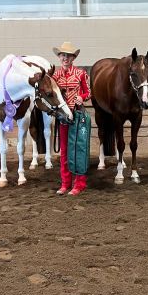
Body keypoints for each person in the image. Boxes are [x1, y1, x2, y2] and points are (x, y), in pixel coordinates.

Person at [52, 41, 91, 196]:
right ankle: (65, 183)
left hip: (77, 116)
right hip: (63, 117)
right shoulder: (54, 76)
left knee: (79, 149)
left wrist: (81, 97)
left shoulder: (81, 74)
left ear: (73, 58)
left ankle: (80, 183)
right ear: (59, 57)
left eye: (68, 55)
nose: (65, 58)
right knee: (64, 152)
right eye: (62, 55)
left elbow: (89, 92)